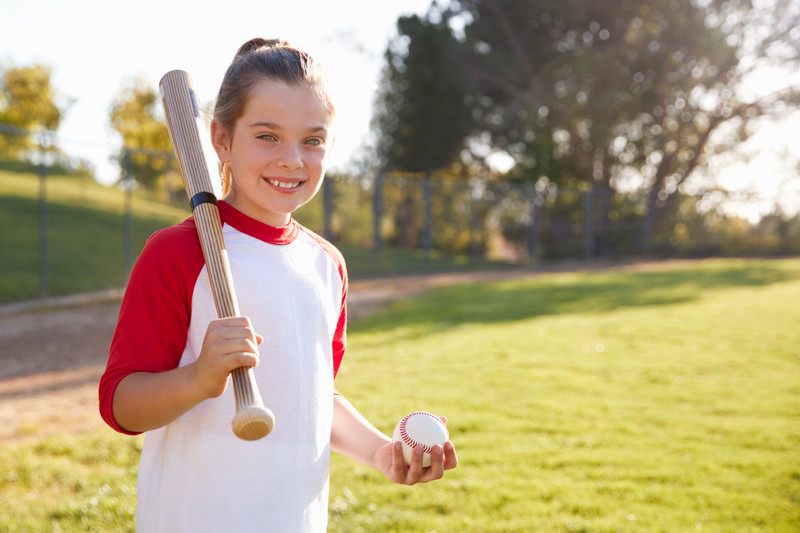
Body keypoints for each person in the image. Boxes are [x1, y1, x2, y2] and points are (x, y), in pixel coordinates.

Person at [99, 38, 457, 532]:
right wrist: (199, 377)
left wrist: (380, 451)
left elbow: (316, 397)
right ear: (221, 140)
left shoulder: (326, 265)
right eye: (267, 136)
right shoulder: (179, 253)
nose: (292, 159)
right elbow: (121, 404)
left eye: (312, 140)